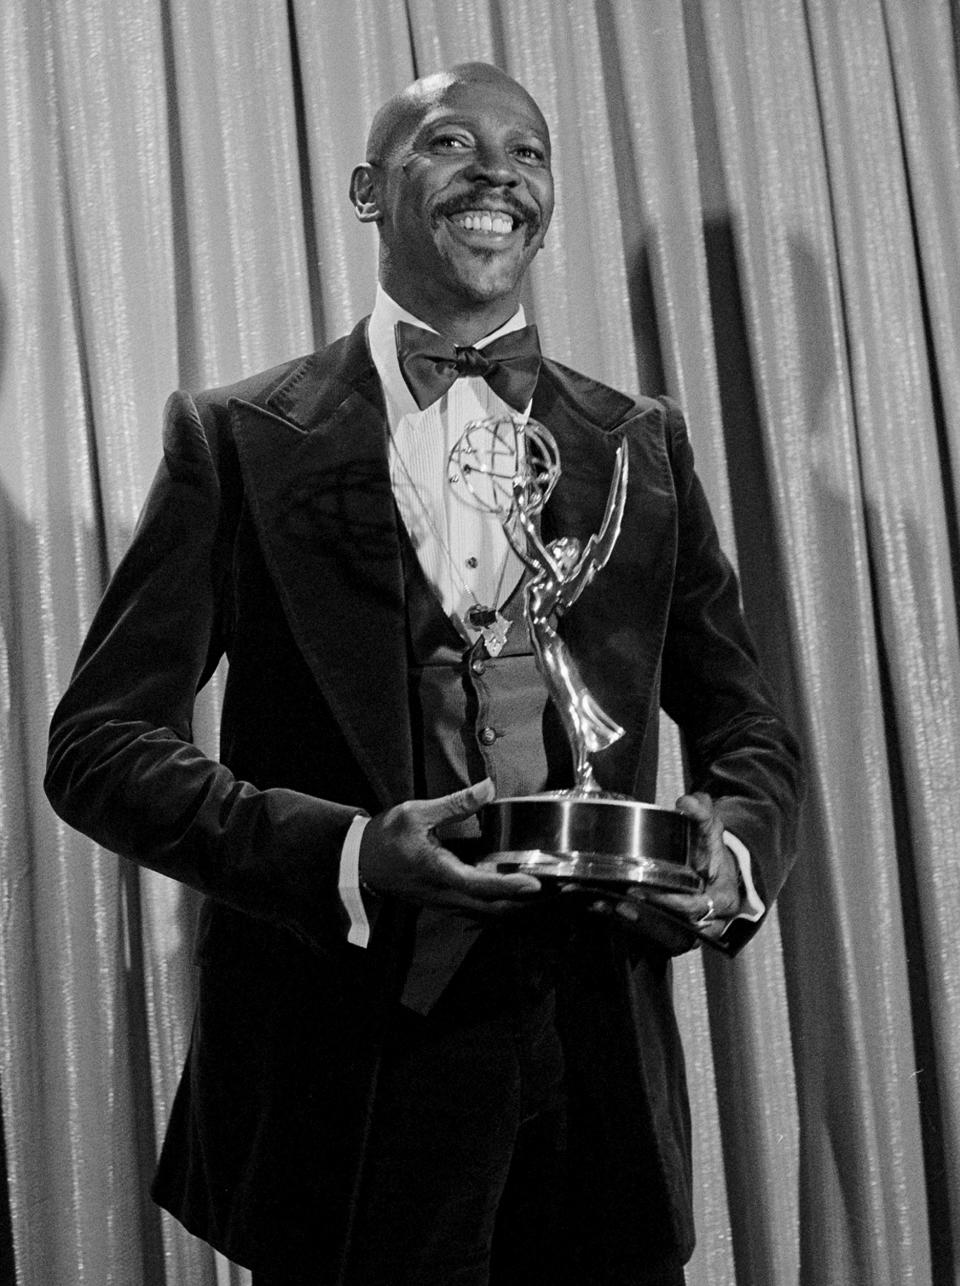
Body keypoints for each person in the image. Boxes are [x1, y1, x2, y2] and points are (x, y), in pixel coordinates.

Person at [45, 61, 802, 1286]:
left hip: (593, 1068)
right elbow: (97, 747)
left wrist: (733, 856)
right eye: (451, 142)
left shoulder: (639, 442)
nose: (498, 171)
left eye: (531, 151)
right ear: (367, 190)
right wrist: (347, 852)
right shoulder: (237, 437)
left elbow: (747, 725)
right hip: (343, 1077)